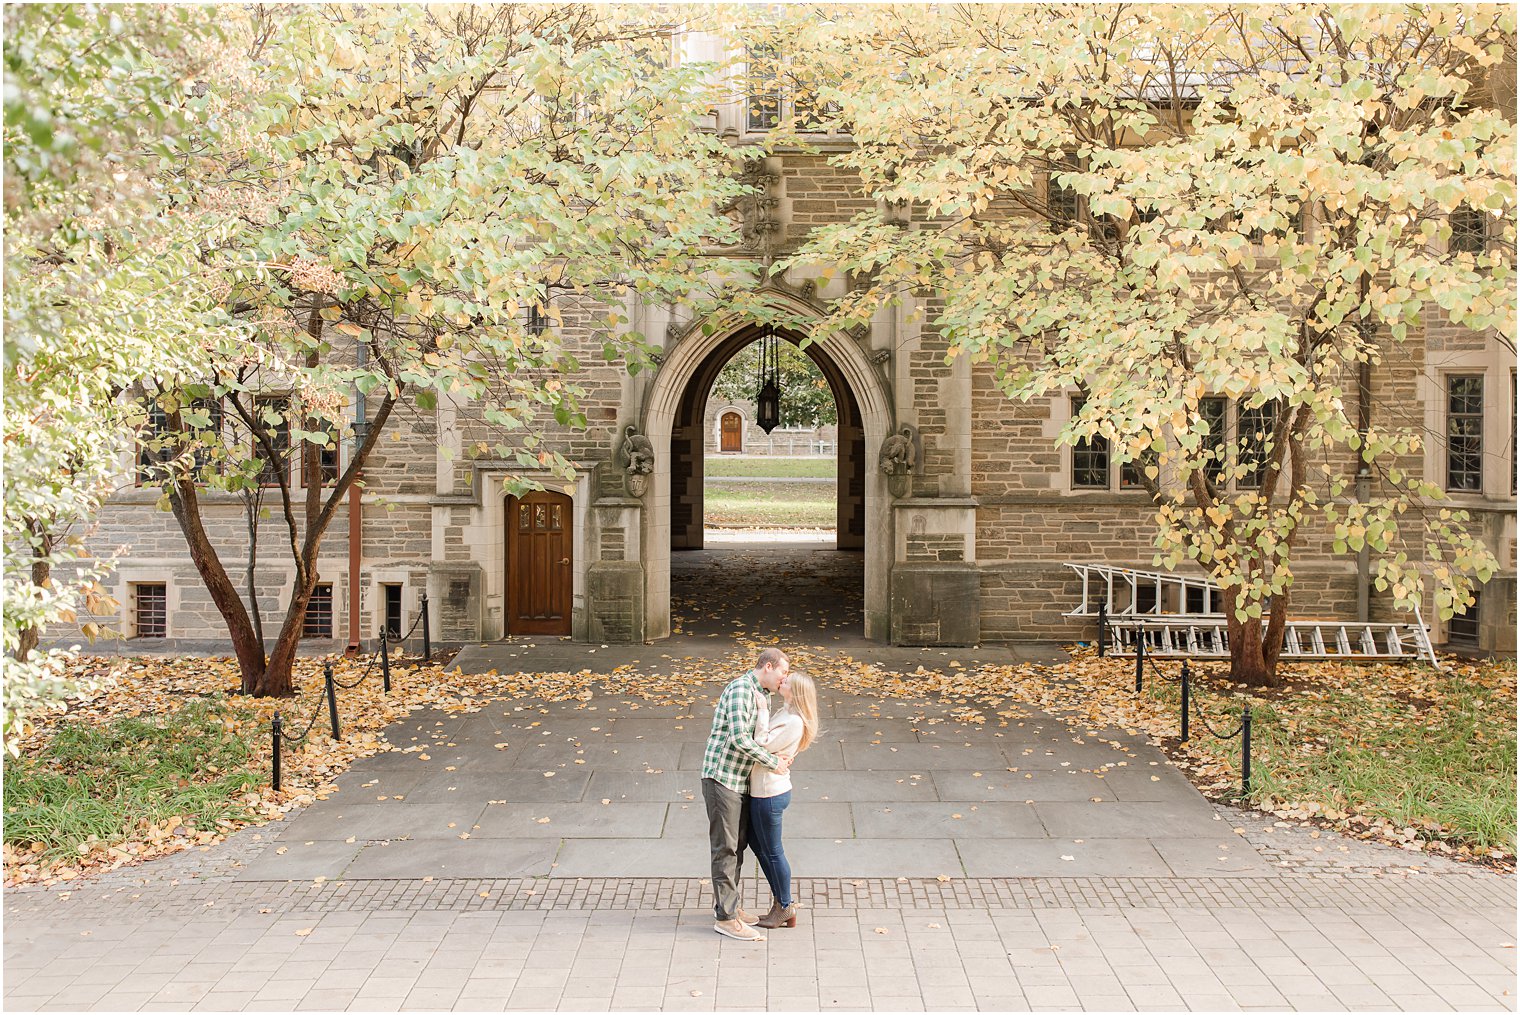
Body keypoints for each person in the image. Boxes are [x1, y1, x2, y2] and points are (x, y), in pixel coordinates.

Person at [702, 647, 792, 942]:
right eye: (783, 671)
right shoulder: (741, 689)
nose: (784, 678)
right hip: (722, 777)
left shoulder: (762, 695)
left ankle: (730, 908)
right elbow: (740, 739)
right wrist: (774, 763)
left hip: (739, 781)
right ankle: (726, 919)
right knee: (725, 849)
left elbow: (760, 738)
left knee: (737, 846)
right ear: (767, 666)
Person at [747, 670, 819, 930]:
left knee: (773, 852)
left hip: (770, 793)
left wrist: (762, 709)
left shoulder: (793, 721)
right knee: (759, 845)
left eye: (787, 680)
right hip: (765, 790)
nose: (782, 680)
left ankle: (785, 906)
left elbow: (761, 743)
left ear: (795, 691)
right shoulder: (788, 714)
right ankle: (781, 904)